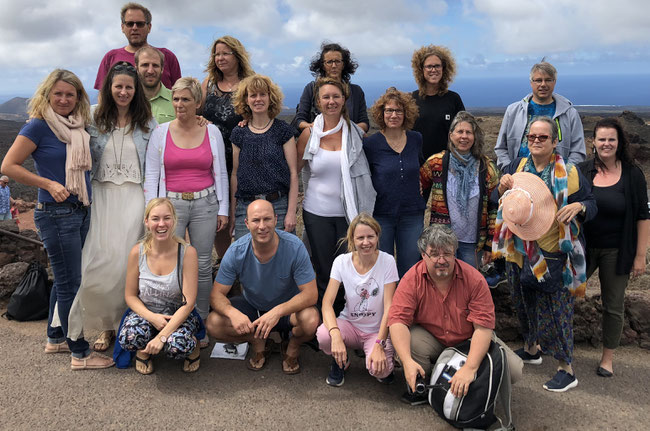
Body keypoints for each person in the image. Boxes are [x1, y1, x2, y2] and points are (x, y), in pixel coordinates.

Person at [1, 69, 114, 369]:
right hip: (55, 213)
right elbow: (9, 165)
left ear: (79, 98)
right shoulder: (38, 126)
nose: (64, 99)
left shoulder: (78, 126)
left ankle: (55, 337)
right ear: (47, 95)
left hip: (80, 210)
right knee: (70, 284)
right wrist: (48, 184)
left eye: (70, 94)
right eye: (58, 94)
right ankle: (80, 352)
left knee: (65, 279)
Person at [493, 116, 596, 392]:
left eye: (542, 137)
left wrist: (580, 208)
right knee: (523, 302)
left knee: (556, 310)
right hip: (518, 249)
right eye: (532, 137)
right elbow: (497, 200)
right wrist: (500, 189)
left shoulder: (570, 173)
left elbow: (591, 202)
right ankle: (531, 348)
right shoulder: (517, 167)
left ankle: (566, 369)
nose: (536, 142)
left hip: (552, 252)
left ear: (554, 141)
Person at [67, 61, 156, 352]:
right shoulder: (92, 116)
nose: (123, 91)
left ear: (136, 90)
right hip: (100, 198)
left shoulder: (147, 121)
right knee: (97, 262)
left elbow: (157, 161)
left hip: (134, 199)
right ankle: (103, 325)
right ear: (109, 87)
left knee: (124, 266)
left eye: (129, 87)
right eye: (118, 86)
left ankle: (122, 326)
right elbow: (60, 124)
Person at [388, 225, 522, 405]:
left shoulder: (474, 279)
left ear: (455, 253)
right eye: (434, 254)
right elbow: (397, 320)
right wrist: (406, 362)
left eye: (447, 254)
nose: (441, 260)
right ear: (423, 255)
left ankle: (476, 386)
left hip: (469, 339)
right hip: (433, 338)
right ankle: (424, 384)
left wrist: (470, 367)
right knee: (409, 340)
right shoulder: (412, 278)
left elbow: (483, 328)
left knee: (513, 370)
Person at [144, 77, 229, 347]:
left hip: (206, 203)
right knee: (172, 263)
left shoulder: (212, 132)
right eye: (176, 99)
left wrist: (223, 208)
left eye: (186, 99)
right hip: (172, 206)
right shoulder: (161, 132)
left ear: (197, 103)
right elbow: (152, 175)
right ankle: (169, 321)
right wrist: (154, 213)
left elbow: (222, 174)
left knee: (203, 264)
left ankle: (199, 322)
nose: (180, 104)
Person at [206, 199, 320, 374]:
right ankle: (257, 341)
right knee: (214, 323)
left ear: (276, 219)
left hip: (287, 310)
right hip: (254, 307)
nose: (262, 226)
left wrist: (277, 311)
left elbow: (311, 294)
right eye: (256, 220)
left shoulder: (294, 247)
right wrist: (232, 313)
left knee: (311, 320)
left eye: (267, 219)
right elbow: (216, 295)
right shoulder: (236, 250)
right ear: (246, 223)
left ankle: (293, 345)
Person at [578, 118, 649, 378]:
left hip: (617, 250)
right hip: (582, 248)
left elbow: (643, 216)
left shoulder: (632, 174)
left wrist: (640, 256)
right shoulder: (582, 171)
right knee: (562, 294)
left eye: (611, 139)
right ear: (593, 143)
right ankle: (552, 344)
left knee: (613, 305)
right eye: (601, 139)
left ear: (619, 143)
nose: (606, 144)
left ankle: (608, 358)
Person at [297, 77, 376, 311]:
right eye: (326, 97)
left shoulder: (356, 136)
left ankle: (349, 318)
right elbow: (295, 171)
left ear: (344, 100)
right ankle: (324, 321)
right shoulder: (309, 135)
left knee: (350, 268)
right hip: (316, 213)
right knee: (323, 269)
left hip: (348, 215)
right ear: (318, 102)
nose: (331, 101)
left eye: (336, 97)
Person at [118, 198, 202, 374]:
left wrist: (163, 336)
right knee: (128, 338)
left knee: (177, 347)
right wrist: (152, 317)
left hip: (178, 314)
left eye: (167, 218)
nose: (161, 224)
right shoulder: (137, 252)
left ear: (174, 221)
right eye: (155, 218)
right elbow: (130, 296)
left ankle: (194, 345)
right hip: (147, 311)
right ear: (147, 222)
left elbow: (188, 303)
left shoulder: (187, 252)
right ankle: (144, 350)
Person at [316, 213, 398, 386]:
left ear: (377, 236)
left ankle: (377, 357)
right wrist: (335, 334)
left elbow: (390, 306)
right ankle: (340, 361)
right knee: (325, 335)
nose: (366, 242)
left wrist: (379, 343)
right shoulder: (341, 262)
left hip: (376, 330)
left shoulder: (388, 261)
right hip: (350, 324)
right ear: (352, 239)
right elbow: (327, 303)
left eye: (370, 236)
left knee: (381, 370)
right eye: (360, 237)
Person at [420, 111, 499, 268]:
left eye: (469, 132)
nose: (464, 136)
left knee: (468, 285)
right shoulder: (436, 163)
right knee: (442, 284)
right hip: (442, 242)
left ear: (474, 137)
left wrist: (490, 243)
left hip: (473, 243)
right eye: (460, 132)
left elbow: (494, 207)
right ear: (451, 135)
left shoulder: (486, 167)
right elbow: (419, 185)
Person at [201, 35, 255, 258]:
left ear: (237, 55)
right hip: (212, 160)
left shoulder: (250, 82)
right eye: (217, 54)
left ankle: (247, 263)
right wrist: (200, 120)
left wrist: (249, 121)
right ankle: (225, 264)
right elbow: (195, 112)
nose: (220, 58)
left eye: (225, 53)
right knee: (219, 215)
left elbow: (264, 114)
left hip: (243, 160)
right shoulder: (208, 83)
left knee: (241, 213)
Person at [363, 88, 424, 277]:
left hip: (412, 214)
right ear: (381, 114)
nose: (393, 115)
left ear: (406, 114)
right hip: (381, 215)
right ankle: (387, 306)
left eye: (399, 111)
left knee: (410, 268)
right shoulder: (371, 144)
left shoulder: (416, 139)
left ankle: (408, 306)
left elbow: (421, 168)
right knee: (384, 269)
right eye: (389, 110)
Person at [229, 74, 298, 239]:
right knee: (245, 259)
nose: (258, 99)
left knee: (282, 257)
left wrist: (291, 213)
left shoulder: (283, 130)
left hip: (278, 207)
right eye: (253, 95)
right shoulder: (239, 133)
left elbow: (294, 173)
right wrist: (233, 213)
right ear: (246, 100)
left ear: (270, 98)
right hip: (246, 208)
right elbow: (235, 173)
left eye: (262, 94)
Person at [494, 61, 585, 171]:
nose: (543, 84)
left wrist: (564, 174)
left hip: (557, 182)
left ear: (554, 82)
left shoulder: (570, 114)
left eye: (548, 80)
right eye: (538, 80)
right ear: (531, 83)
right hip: (518, 178)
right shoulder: (513, 111)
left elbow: (578, 152)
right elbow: (501, 148)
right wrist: (510, 170)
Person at [94, 2, 181, 90]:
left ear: (149, 27)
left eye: (140, 24)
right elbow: (102, 95)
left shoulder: (167, 56)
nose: (134, 28)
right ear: (122, 27)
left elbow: (180, 92)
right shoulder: (110, 57)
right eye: (130, 24)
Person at [294, 42, 369, 134]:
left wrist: (345, 131)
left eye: (337, 61)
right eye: (329, 62)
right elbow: (300, 121)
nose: (334, 66)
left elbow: (364, 123)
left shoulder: (356, 91)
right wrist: (317, 128)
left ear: (343, 64)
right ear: (323, 65)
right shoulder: (311, 89)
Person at [410, 45, 465, 161]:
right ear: (421, 70)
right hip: (417, 165)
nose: (433, 70)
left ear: (444, 69)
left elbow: (463, 133)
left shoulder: (453, 99)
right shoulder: (411, 99)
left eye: (437, 66)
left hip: (448, 165)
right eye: (429, 66)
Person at [135, 46, 175, 124]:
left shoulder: (176, 100)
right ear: (136, 68)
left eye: (155, 65)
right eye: (145, 65)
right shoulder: (127, 100)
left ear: (162, 69)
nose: (150, 71)